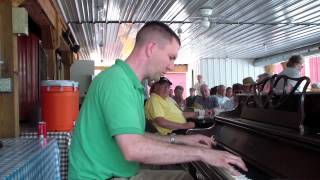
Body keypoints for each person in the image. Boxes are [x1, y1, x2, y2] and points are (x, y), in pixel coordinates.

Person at [68, 21, 247, 180]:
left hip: (119, 173)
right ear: (151, 48)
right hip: (104, 176)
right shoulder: (116, 82)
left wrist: (182, 140)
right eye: (171, 57)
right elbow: (133, 148)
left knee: (184, 176)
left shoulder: (131, 85)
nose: (171, 66)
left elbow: (135, 136)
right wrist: (201, 153)